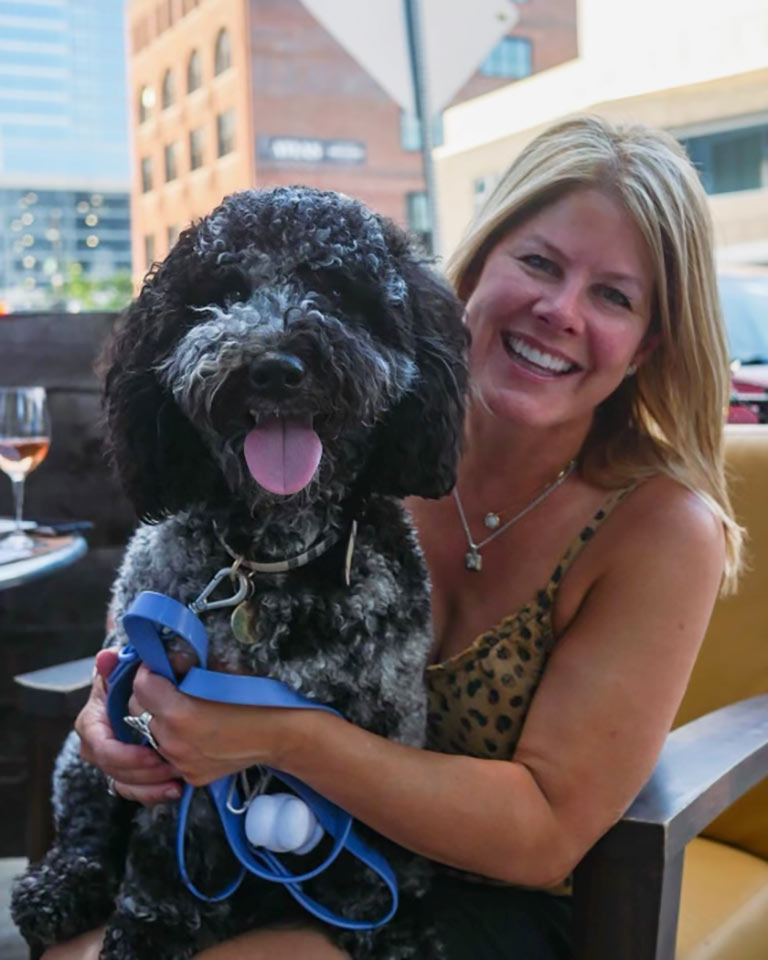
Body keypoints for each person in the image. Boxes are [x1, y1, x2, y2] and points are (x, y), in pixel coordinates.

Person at [49, 114, 741, 960]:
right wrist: (113, 723)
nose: (559, 311)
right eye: (539, 263)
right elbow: (168, 640)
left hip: (488, 894)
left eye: (614, 296)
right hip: (250, 848)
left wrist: (279, 734)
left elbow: (545, 831)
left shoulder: (660, 527)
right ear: (476, 269)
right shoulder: (326, 452)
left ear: (646, 348)